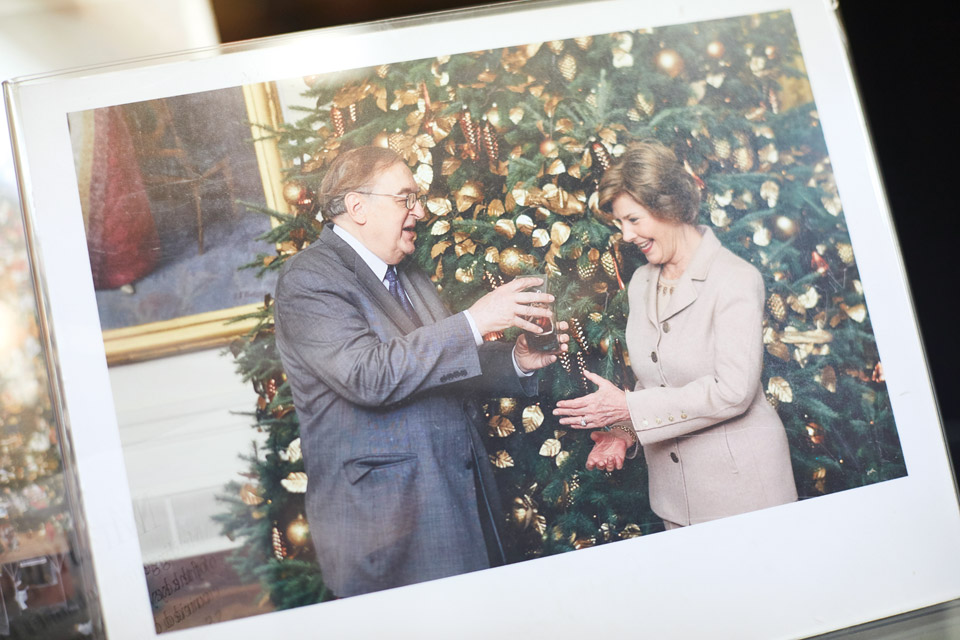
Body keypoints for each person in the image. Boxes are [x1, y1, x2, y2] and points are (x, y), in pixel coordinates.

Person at [274, 146, 568, 597]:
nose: (420, 210)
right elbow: (366, 375)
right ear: (358, 207)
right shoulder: (308, 278)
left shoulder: (405, 271)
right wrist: (474, 320)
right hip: (389, 526)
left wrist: (516, 359)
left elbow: (437, 369)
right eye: (405, 198)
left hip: (456, 504)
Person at [553, 140, 797, 530]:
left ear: (667, 205)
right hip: (672, 500)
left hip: (744, 495)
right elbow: (656, 374)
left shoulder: (735, 278)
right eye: (619, 224)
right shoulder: (641, 281)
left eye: (633, 219)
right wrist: (622, 431)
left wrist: (629, 409)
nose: (626, 235)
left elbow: (734, 391)